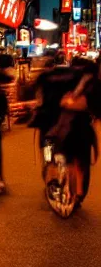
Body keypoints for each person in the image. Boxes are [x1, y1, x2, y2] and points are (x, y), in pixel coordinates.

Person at [34, 54, 100, 202]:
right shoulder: (86, 81)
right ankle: (78, 195)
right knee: (80, 161)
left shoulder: (45, 78)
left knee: (49, 154)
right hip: (78, 126)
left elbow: (39, 100)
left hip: (49, 124)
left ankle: (52, 180)